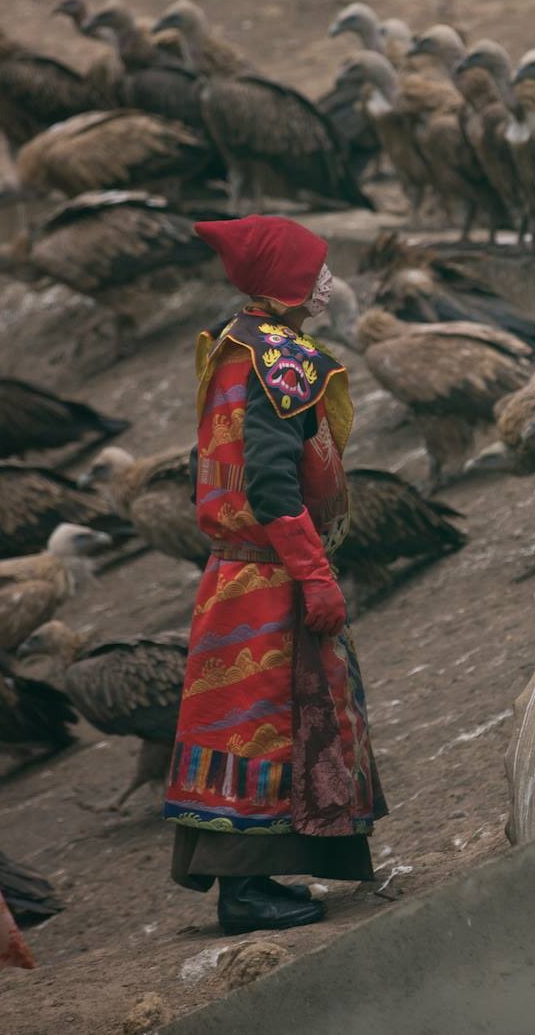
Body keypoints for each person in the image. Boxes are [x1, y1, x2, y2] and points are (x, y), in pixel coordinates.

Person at [165, 215, 387, 934]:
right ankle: (246, 892)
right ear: (287, 284)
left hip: (238, 575)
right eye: (314, 270)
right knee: (264, 720)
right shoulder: (280, 361)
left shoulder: (237, 342)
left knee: (244, 721)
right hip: (266, 579)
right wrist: (315, 573)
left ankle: (251, 883)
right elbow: (270, 482)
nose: (326, 282)